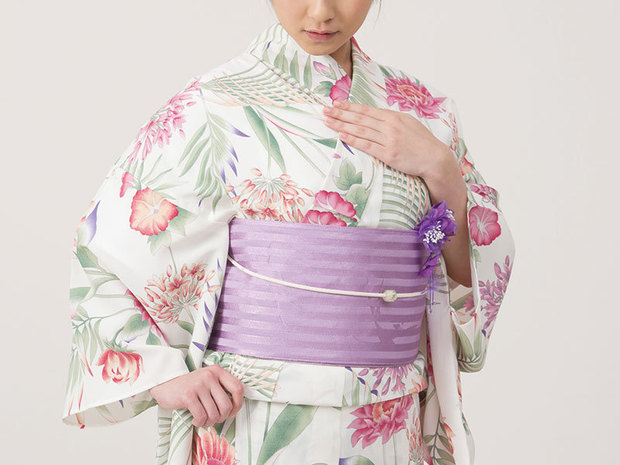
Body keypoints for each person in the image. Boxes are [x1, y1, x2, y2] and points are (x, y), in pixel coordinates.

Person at [62, 1, 516, 464]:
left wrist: (442, 169)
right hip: (255, 408)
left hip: (389, 417)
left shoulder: (427, 112)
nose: (320, 11)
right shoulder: (214, 101)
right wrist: (162, 374)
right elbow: (106, 247)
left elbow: (462, 273)